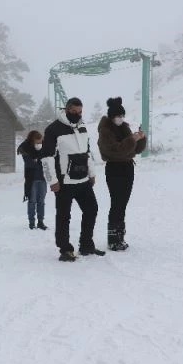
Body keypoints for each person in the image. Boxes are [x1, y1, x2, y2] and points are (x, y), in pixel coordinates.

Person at [41, 97, 105, 261]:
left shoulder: (82, 127)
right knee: (64, 216)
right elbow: (47, 157)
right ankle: (65, 250)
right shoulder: (53, 129)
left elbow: (87, 152)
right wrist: (52, 181)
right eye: (74, 111)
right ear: (67, 109)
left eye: (80, 112)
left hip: (83, 180)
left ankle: (86, 245)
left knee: (92, 209)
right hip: (64, 182)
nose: (78, 114)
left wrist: (92, 173)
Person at [97, 97, 146, 251]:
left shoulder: (124, 128)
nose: (120, 119)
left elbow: (135, 150)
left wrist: (141, 139)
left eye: (122, 116)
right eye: (118, 116)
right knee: (116, 203)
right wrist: (132, 139)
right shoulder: (105, 131)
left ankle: (120, 236)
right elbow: (117, 150)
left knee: (122, 204)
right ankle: (113, 238)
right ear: (111, 117)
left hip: (127, 167)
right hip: (114, 168)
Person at [17, 130, 47, 230]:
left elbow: (46, 160)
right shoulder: (25, 148)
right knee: (32, 201)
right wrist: (38, 158)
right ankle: (32, 223)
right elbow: (30, 163)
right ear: (32, 140)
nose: (39, 144)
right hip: (32, 179)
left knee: (41, 202)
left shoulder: (43, 148)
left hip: (42, 178)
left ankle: (41, 222)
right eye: (37, 142)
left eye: (40, 142)